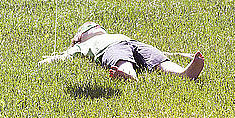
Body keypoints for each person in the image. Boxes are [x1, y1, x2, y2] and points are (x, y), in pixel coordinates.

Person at [38, 22, 204, 81]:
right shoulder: (82, 46)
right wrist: (49, 60)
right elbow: (65, 56)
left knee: (158, 59)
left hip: (133, 43)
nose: (96, 27)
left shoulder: (111, 35)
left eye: (97, 26)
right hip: (112, 48)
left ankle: (183, 72)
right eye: (91, 27)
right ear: (80, 37)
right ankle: (128, 74)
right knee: (121, 58)